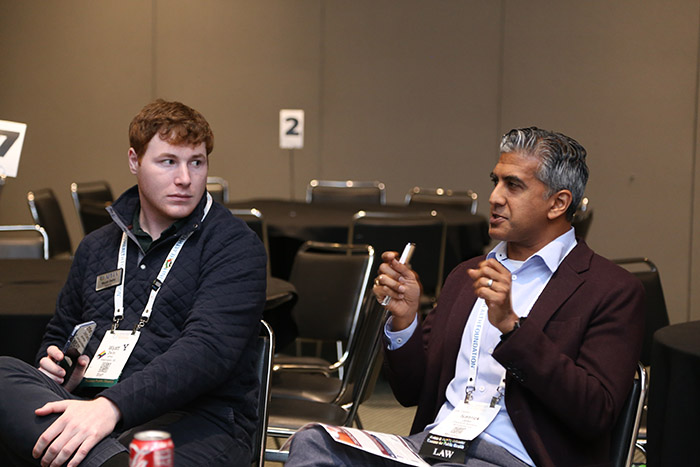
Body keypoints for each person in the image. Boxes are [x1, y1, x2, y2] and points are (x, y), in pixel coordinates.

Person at [285, 127, 645, 466]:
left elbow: (595, 412)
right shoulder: (466, 275)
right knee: (313, 442)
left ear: (558, 203)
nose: (494, 197)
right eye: (496, 181)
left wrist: (513, 329)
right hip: (433, 448)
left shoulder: (609, 290)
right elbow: (411, 391)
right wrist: (406, 320)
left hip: (516, 457)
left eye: (513, 186)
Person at [0, 99, 267, 466]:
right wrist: (58, 369)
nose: (185, 179)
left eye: (197, 162)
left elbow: (207, 352)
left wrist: (111, 407)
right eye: (168, 162)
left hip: (197, 419)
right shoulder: (97, 247)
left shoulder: (234, 244)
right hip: (90, 409)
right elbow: (60, 333)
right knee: (4, 374)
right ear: (134, 161)